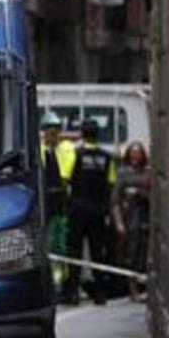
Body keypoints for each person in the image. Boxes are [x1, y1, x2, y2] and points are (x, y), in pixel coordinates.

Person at [63, 118, 117, 306]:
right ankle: (100, 293)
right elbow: (111, 184)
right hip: (98, 211)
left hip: (77, 209)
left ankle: (73, 293)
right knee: (97, 252)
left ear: (82, 134)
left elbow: (66, 178)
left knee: (75, 251)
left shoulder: (75, 154)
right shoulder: (106, 157)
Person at [40, 111, 76, 289]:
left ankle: (62, 282)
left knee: (61, 243)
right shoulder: (38, 151)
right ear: (44, 133)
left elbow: (67, 175)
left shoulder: (67, 149)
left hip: (61, 202)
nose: (53, 135)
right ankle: (47, 282)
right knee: (44, 241)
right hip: (43, 203)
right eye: (49, 131)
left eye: (56, 131)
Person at [112, 141, 152, 302]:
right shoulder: (122, 173)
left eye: (138, 153)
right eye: (133, 153)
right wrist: (119, 222)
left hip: (146, 216)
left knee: (145, 252)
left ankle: (146, 287)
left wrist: (139, 193)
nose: (135, 156)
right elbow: (115, 200)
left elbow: (153, 193)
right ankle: (132, 289)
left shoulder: (148, 173)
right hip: (129, 217)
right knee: (131, 253)